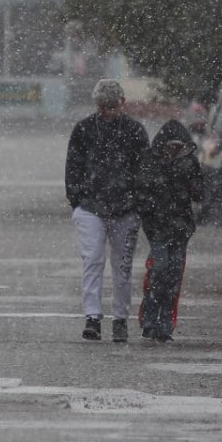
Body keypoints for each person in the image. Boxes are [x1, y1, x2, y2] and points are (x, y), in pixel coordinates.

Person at [65, 78, 150, 342]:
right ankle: (93, 316)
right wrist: (77, 199)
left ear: (121, 103)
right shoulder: (84, 130)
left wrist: (136, 200)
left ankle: (120, 318)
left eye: (112, 105)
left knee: (121, 266)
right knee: (93, 260)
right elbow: (73, 167)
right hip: (92, 206)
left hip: (124, 208)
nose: (108, 111)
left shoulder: (134, 132)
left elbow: (144, 170)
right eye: (104, 106)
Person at [135, 118, 203, 343]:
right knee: (159, 271)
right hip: (160, 228)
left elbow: (199, 194)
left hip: (179, 228)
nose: (173, 151)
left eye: (177, 147)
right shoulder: (151, 162)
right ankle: (151, 320)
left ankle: (164, 323)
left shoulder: (189, 164)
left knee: (172, 275)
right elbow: (143, 193)